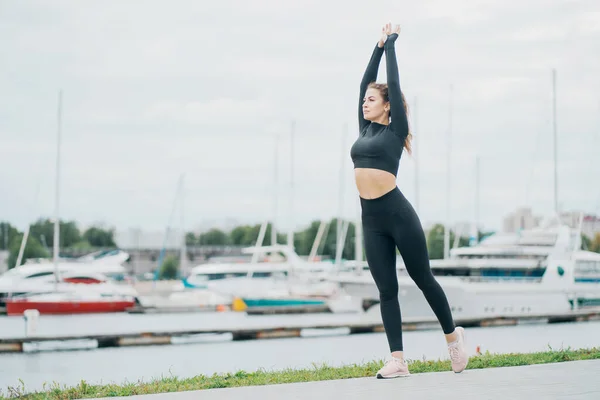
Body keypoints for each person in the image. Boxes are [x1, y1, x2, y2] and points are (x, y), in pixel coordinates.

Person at [349, 23, 469, 379]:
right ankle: (398, 360)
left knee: (423, 277)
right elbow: (362, 84)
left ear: (387, 107)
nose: (364, 103)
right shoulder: (365, 129)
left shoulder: (394, 130)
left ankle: (453, 340)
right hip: (371, 220)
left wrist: (390, 49)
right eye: (364, 100)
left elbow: (395, 85)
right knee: (387, 289)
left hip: (397, 213)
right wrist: (375, 47)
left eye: (371, 100)